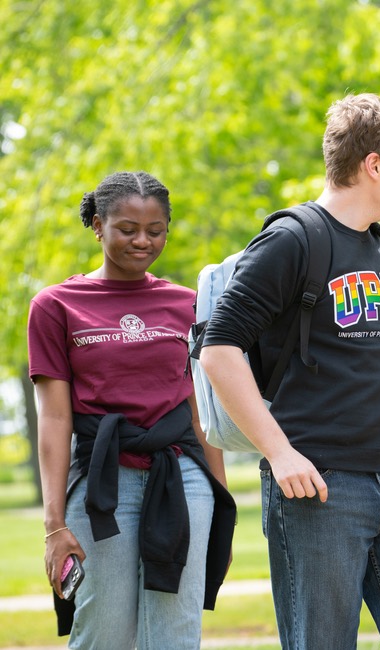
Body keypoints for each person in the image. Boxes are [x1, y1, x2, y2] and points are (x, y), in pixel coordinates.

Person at [198, 94, 380, 650]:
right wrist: (280, 452)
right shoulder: (291, 239)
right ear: (374, 164)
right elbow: (220, 351)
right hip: (321, 485)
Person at [28, 171, 237, 648]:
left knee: (175, 632)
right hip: (104, 482)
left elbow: (201, 411)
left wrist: (221, 507)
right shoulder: (55, 306)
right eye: (127, 229)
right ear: (98, 226)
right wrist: (54, 525)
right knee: (105, 632)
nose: (142, 241)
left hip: (182, 480)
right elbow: (56, 420)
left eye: (155, 230)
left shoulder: (188, 305)